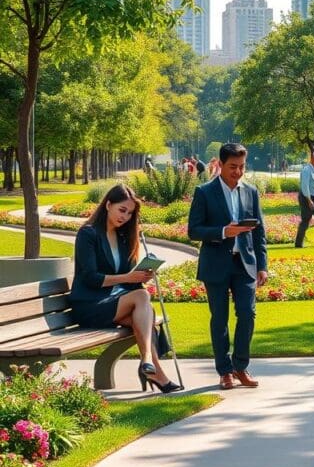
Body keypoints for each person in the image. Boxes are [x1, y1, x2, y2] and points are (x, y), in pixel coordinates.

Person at [70, 184, 181, 393]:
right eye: (122, 210)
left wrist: (142, 275)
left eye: (130, 213)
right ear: (108, 205)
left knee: (143, 315)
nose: (125, 217)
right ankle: (147, 362)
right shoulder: (88, 233)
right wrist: (129, 278)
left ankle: (154, 371)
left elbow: (129, 283)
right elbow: (90, 278)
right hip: (88, 305)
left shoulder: (122, 237)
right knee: (142, 298)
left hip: (111, 303)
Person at [188, 143, 269, 390]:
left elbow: (260, 232)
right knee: (219, 319)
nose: (238, 172)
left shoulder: (251, 192)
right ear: (220, 165)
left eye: (242, 166)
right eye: (233, 166)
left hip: (245, 264)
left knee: (248, 313)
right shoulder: (204, 192)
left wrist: (262, 266)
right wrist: (224, 231)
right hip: (216, 264)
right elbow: (194, 230)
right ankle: (224, 371)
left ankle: (240, 366)